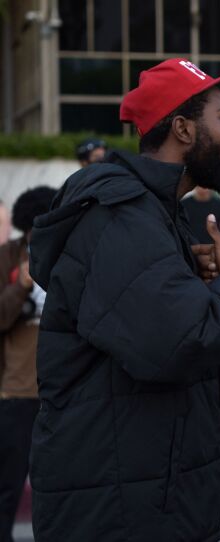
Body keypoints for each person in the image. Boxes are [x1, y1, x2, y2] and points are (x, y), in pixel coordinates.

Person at [27, 58, 220, 541]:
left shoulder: (154, 214)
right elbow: (184, 340)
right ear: (182, 129)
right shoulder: (121, 217)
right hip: (123, 515)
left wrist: (196, 282)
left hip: (150, 498)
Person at [0, 186, 56, 542]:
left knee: (56, 493)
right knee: (7, 489)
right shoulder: (8, 255)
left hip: (60, 392)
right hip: (16, 391)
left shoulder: (68, 255)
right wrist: (20, 284)